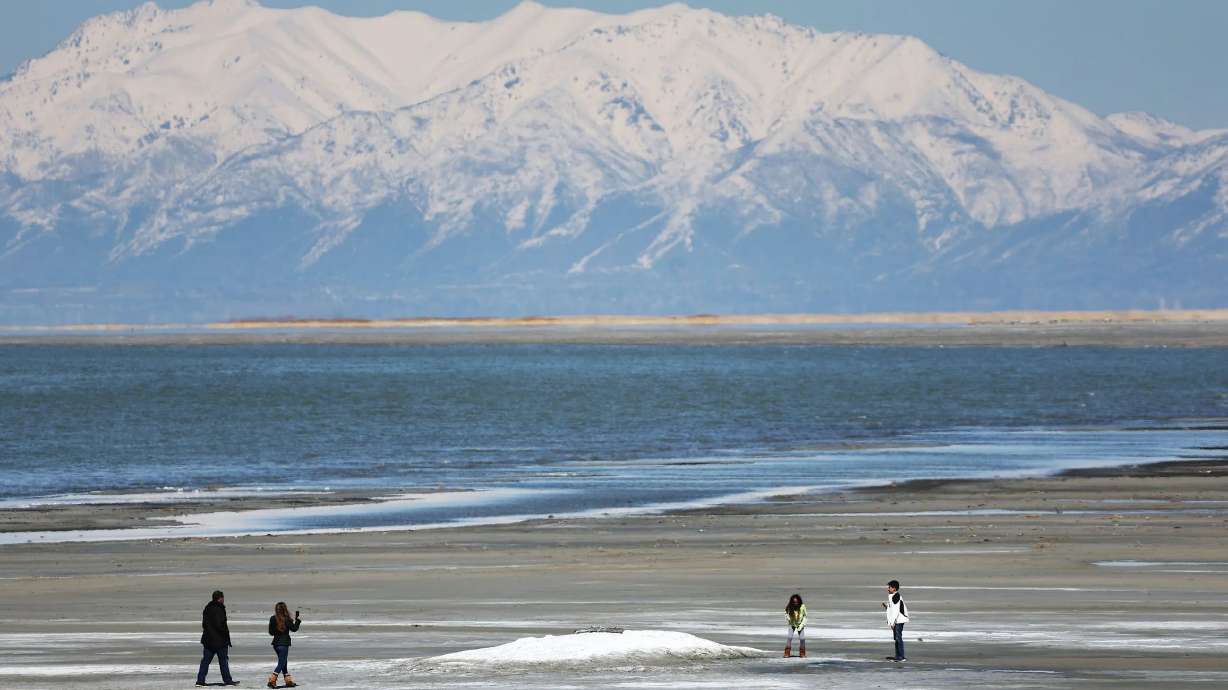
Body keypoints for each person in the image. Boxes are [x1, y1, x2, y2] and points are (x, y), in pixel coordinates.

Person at [197, 590, 239, 686]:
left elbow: (204, 624)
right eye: (223, 598)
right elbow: (220, 624)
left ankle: (200, 681)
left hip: (208, 640)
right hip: (219, 641)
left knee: (205, 661)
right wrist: (225, 635)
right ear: (220, 598)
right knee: (223, 661)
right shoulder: (219, 608)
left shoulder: (207, 608)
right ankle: (227, 680)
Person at [267, 602, 302, 688]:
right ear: (285, 609)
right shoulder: (287, 619)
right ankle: (272, 680)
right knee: (282, 663)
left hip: (276, 644)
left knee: (283, 662)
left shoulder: (272, 618)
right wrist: (297, 621)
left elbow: (271, 633)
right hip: (284, 644)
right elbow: (294, 629)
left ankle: (288, 680)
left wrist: (277, 630)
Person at [882, 579, 909, 662]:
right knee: (896, 638)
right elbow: (892, 609)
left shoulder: (896, 596)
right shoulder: (893, 596)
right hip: (897, 620)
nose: (888, 589)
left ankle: (901, 656)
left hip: (899, 620)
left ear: (894, 588)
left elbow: (896, 611)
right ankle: (898, 656)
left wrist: (892, 622)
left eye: (889, 587)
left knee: (898, 638)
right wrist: (887, 607)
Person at [783, 593, 807, 658]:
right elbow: (786, 613)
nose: (795, 603)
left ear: (799, 601)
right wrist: (788, 619)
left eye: (796, 601)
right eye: (794, 602)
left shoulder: (802, 606)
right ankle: (787, 652)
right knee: (789, 637)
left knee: (802, 638)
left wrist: (801, 625)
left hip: (800, 624)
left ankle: (802, 652)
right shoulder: (789, 606)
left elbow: (805, 616)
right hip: (792, 624)